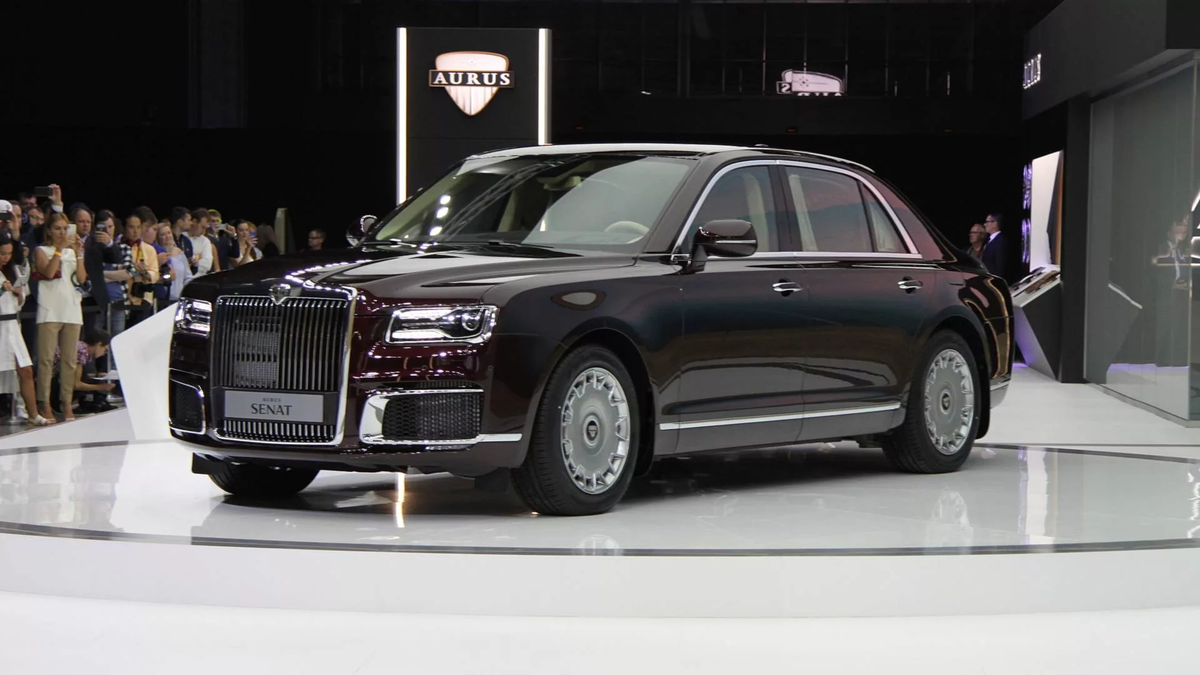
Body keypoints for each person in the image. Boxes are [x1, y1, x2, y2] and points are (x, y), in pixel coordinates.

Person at [34, 212, 87, 422]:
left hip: (72, 308)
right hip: (50, 310)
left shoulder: (72, 252)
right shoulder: (41, 251)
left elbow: (81, 278)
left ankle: (66, 402)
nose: (62, 233)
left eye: (65, 228)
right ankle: (44, 403)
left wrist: (79, 253)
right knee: (46, 359)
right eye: (57, 228)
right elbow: (48, 272)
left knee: (69, 360)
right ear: (49, 230)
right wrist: (59, 250)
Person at [0, 232, 49, 426]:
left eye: (9, 253)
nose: (6, 257)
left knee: (26, 370)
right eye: (2, 253)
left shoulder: (12, 270)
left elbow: (19, 301)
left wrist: (18, 293)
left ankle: (33, 414)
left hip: (12, 326)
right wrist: (3, 289)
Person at [51, 328, 115, 415]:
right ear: (99, 345)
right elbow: (76, 384)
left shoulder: (80, 346)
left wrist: (96, 375)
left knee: (90, 378)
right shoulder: (82, 352)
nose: (104, 353)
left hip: (54, 379)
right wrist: (101, 387)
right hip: (54, 384)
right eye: (105, 349)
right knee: (90, 382)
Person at [121, 215, 160, 326]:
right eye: (131, 227)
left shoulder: (149, 249)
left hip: (143, 298)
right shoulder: (118, 247)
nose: (135, 231)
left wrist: (144, 272)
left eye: (138, 227)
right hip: (123, 297)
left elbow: (155, 274)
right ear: (125, 228)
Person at [157, 224, 193, 302]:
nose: (167, 236)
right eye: (163, 235)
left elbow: (188, 277)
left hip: (179, 298)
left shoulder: (180, 253)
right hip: (163, 299)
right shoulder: (156, 254)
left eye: (169, 233)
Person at [184, 208, 215, 276]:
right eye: (202, 227)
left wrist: (194, 263)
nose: (204, 231)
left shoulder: (205, 241)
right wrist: (198, 259)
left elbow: (208, 264)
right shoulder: (182, 238)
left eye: (206, 228)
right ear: (194, 222)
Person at [981, 213, 1008, 280]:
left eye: (987, 222)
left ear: (994, 224)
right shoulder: (990, 240)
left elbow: (1000, 267)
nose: (984, 224)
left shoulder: (1000, 242)